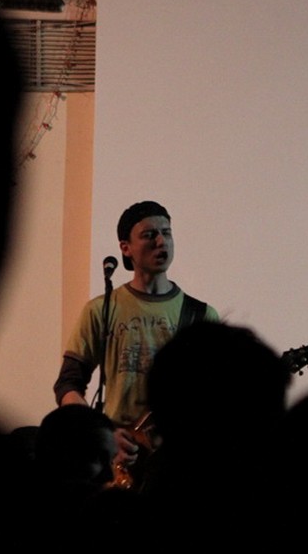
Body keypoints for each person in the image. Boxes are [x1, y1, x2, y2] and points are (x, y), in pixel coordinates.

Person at [52, 200, 219, 479]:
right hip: (118, 459)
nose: (160, 241)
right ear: (125, 247)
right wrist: (103, 435)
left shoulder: (201, 315)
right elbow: (68, 384)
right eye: (149, 234)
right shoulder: (101, 309)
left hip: (179, 461)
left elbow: (216, 394)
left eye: (166, 233)